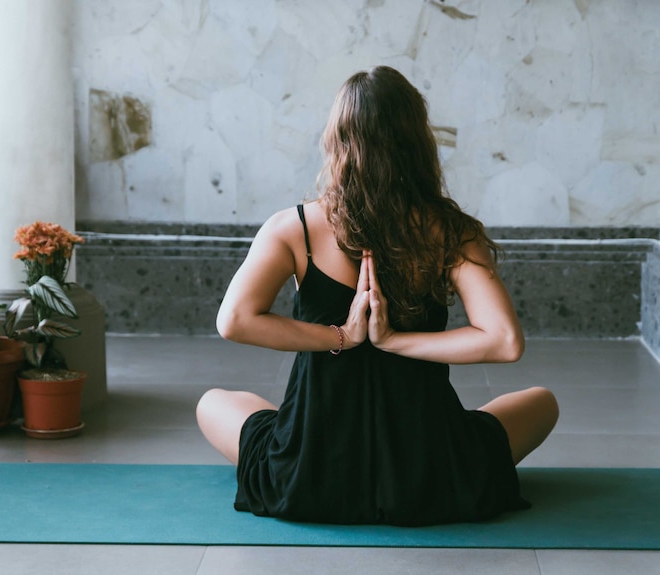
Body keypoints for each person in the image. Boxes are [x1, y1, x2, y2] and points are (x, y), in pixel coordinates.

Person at [196, 66, 559, 527]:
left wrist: (343, 337)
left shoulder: (294, 228)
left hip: (309, 474)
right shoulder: (451, 232)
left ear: (337, 140)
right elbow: (505, 341)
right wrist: (394, 340)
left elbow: (234, 321)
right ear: (416, 142)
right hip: (433, 475)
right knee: (543, 401)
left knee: (212, 402)